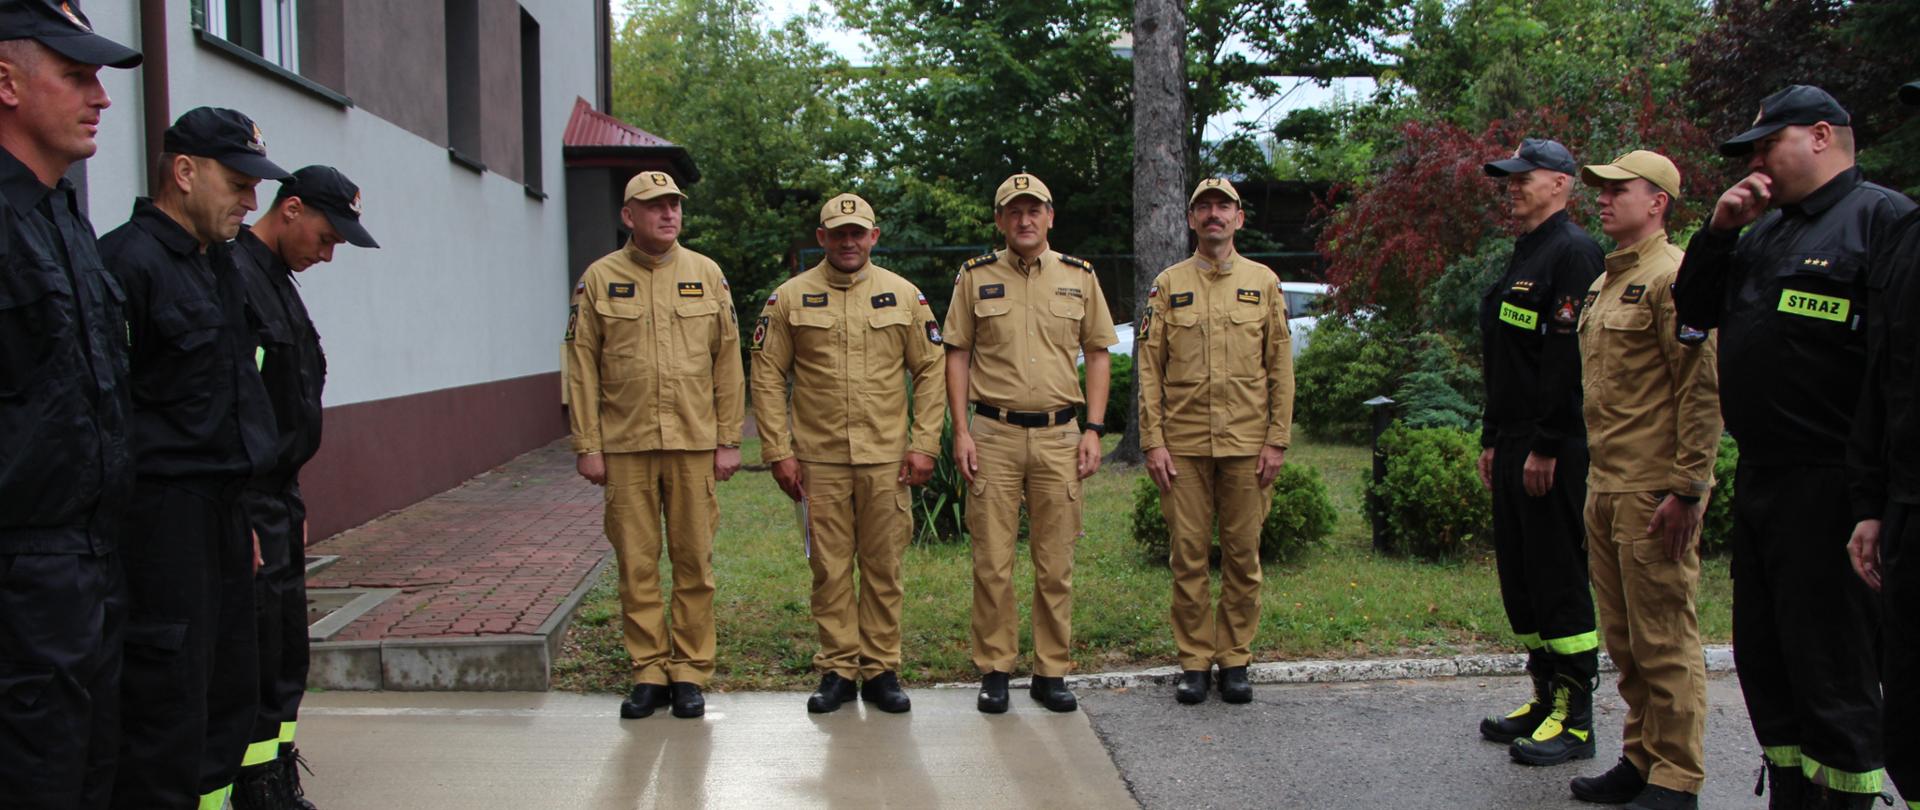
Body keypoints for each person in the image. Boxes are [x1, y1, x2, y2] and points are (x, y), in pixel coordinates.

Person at [1672, 84, 1914, 809]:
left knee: (1833, 670)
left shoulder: (1881, 220)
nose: (1754, 162)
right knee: (1769, 662)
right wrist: (1718, 232)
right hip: (1765, 480)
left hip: (1836, 483)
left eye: (1766, 144)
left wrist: (1876, 497)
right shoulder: (1761, 232)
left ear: (1821, 135)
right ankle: (1790, 792)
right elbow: (1693, 314)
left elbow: (1898, 370)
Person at [101, 106, 289, 809]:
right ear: (183, 172)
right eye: (238, 184)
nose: (250, 200)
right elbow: (107, 412)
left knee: (226, 691)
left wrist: (241, 516)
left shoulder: (218, 265)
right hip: (159, 521)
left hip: (222, 514)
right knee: (165, 703)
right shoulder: (127, 263)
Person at [0, 4, 140, 808]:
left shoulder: (62, 217)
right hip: (20, 579)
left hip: (89, 572)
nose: (102, 97)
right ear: (7, 83)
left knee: (89, 777)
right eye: (77, 75)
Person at [749, 192, 945, 715]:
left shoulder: (904, 296)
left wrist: (924, 443)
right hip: (819, 460)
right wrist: (778, 450)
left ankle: (880, 669)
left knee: (883, 567)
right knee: (830, 568)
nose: (849, 241)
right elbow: (766, 374)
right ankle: (837, 669)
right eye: (839, 233)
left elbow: (931, 369)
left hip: (887, 459)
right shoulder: (790, 298)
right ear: (822, 238)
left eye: (858, 232)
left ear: (874, 236)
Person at [1566, 151, 1720, 810]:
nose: (1603, 199)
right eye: (1600, 190)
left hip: (1653, 490)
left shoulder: (1677, 277)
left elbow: (1699, 388)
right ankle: (1641, 758)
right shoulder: (1606, 282)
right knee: (1626, 640)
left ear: (1658, 201)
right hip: (1606, 485)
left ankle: (1676, 776)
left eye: (1618, 189)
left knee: (1663, 637)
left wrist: (1687, 488)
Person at [564, 170, 743, 721]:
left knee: (694, 563)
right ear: (628, 215)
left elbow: (728, 361)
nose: (668, 214)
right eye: (654, 205)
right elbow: (581, 365)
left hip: (693, 443)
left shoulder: (706, 274)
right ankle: (648, 671)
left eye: (675, 205)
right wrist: (587, 444)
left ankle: (689, 673)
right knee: (636, 564)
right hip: (626, 445)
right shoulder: (599, 279)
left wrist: (729, 439)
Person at [227, 165, 378, 809]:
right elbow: (231, 411)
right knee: (256, 650)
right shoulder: (235, 276)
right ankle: (250, 787)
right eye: (325, 237)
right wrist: (243, 509)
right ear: (289, 209)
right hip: (248, 499)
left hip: (279, 497)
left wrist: (291, 496)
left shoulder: (278, 282)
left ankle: (274, 777)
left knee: (288, 648)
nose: (327, 253)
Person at [942, 172, 1116, 714]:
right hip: (992, 434)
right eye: (1013, 211)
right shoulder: (975, 277)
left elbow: (1099, 353)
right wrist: (962, 430)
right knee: (992, 561)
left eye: (1033, 210)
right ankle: (995, 669)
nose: (1024, 220)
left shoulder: (1079, 277)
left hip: (1061, 436)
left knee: (1055, 563)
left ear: (1050, 216)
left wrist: (1094, 429)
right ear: (1000, 220)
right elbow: (957, 353)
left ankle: (1051, 671)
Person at [1134, 178, 1293, 706]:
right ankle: (1195, 661)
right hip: (1183, 448)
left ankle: (1236, 658)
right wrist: (1153, 442)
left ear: (1238, 218)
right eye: (1203, 207)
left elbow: (1280, 368)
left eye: (1223, 206)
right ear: (1191, 219)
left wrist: (1277, 440)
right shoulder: (1168, 285)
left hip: (1248, 445)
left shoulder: (1263, 283)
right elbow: (1150, 370)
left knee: (1243, 557)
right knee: (1188, 556)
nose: (1213, 214)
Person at [1477, 138, 1605, 767]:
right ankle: (1545, 696)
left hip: (1551, 444)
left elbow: (1569, 360)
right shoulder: (1527, 251)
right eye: (1510, 179)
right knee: (1522, 579)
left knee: (1556, 576)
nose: (1513, 187)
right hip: (1514, 438)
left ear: (1560, 183)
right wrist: (1492, 436)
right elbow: (1507, 357)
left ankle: (1575, 720)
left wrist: (1548, 444)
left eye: (1524, 178)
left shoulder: (1574, 252)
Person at [1846, 79, 1920, 810]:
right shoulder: (1907, 235)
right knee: (1907, 710)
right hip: (1907, 505)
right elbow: (1882, 376)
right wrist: (1872, 503)